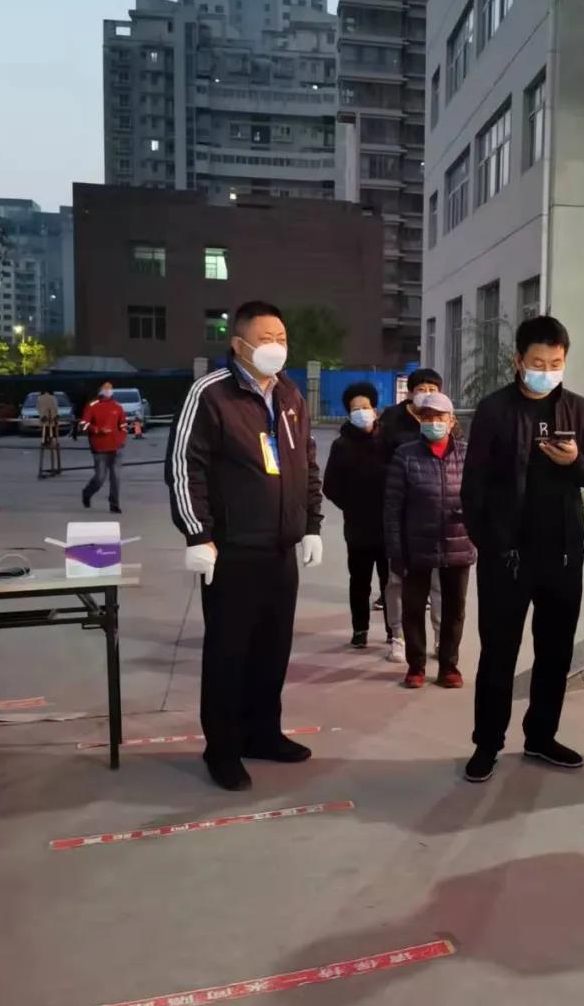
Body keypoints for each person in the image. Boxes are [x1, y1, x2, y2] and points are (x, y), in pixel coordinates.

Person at [166, 300, 324, 792]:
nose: (276, 347)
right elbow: (184, 467)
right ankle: (223, 748)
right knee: (228, 654)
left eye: (282, 338)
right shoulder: (211, 394)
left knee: (272, 651)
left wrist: (312, 524)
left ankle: (263, 733)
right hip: (232, 551)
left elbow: (306, 463)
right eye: (265, 339)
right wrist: (198, 533)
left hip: (279, 550)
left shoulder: (290, 394)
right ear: (239, 344)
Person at [462, 316, 584, 783]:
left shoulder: (578, 410)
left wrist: (575, 461)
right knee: (498, 654)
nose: (547, 371)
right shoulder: (494, 410)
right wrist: (491, 544)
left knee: (555, 652)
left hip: (562, 556)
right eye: (539, 363)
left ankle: (541, 736)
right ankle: (487, 743)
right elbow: (473, 488)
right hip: (506, 558)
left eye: (556, 363)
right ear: (518, 361)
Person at [383, 391, 474, 690]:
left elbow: (482, 496)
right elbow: (392, 507)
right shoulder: (405, 455)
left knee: (454, 610)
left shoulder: (467, 454)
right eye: (427, 417)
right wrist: (396, 551)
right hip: (416, 546)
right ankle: (416, 666)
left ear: (451, 421)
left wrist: (472, 521)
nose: (434, 422)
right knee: (413, 608)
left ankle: (449, 665)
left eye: (440, 417)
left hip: (458, 543)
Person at [379, 367, 445, 664]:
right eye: (422, 388)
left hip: (437, 518)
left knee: (439, 584)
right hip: (403, 514)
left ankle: (441, 638)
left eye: (433, 389)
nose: (427, 394)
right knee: (398, 580)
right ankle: (397, 636)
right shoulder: (392, 419)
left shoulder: (445, 418)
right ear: (410, 392)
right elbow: (380, 461)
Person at [323, 380, 389, 649]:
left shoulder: (388, 442)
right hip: (358, 527)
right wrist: (352, 505)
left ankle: (393, 631)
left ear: (375, 409)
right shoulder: (342, 445)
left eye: (365, 407)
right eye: (355, 409)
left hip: (388, 526)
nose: (361, 412)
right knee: (359, 582)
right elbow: (330, 486)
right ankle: (360, 629)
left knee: (391, 582)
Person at [79, 381, 127, 514]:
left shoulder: (117, 407)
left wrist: (122, 439)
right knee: (100, 477)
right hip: (99, 448)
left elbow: (123, 425)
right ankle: (87, 493)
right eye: (106, 388)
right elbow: (83, 424)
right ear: (100, 390)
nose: (109, 390)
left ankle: (114, 504)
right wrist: (97, 430)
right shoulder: (92, 406)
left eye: (110, 388)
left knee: (116, 478)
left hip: (116, 448)